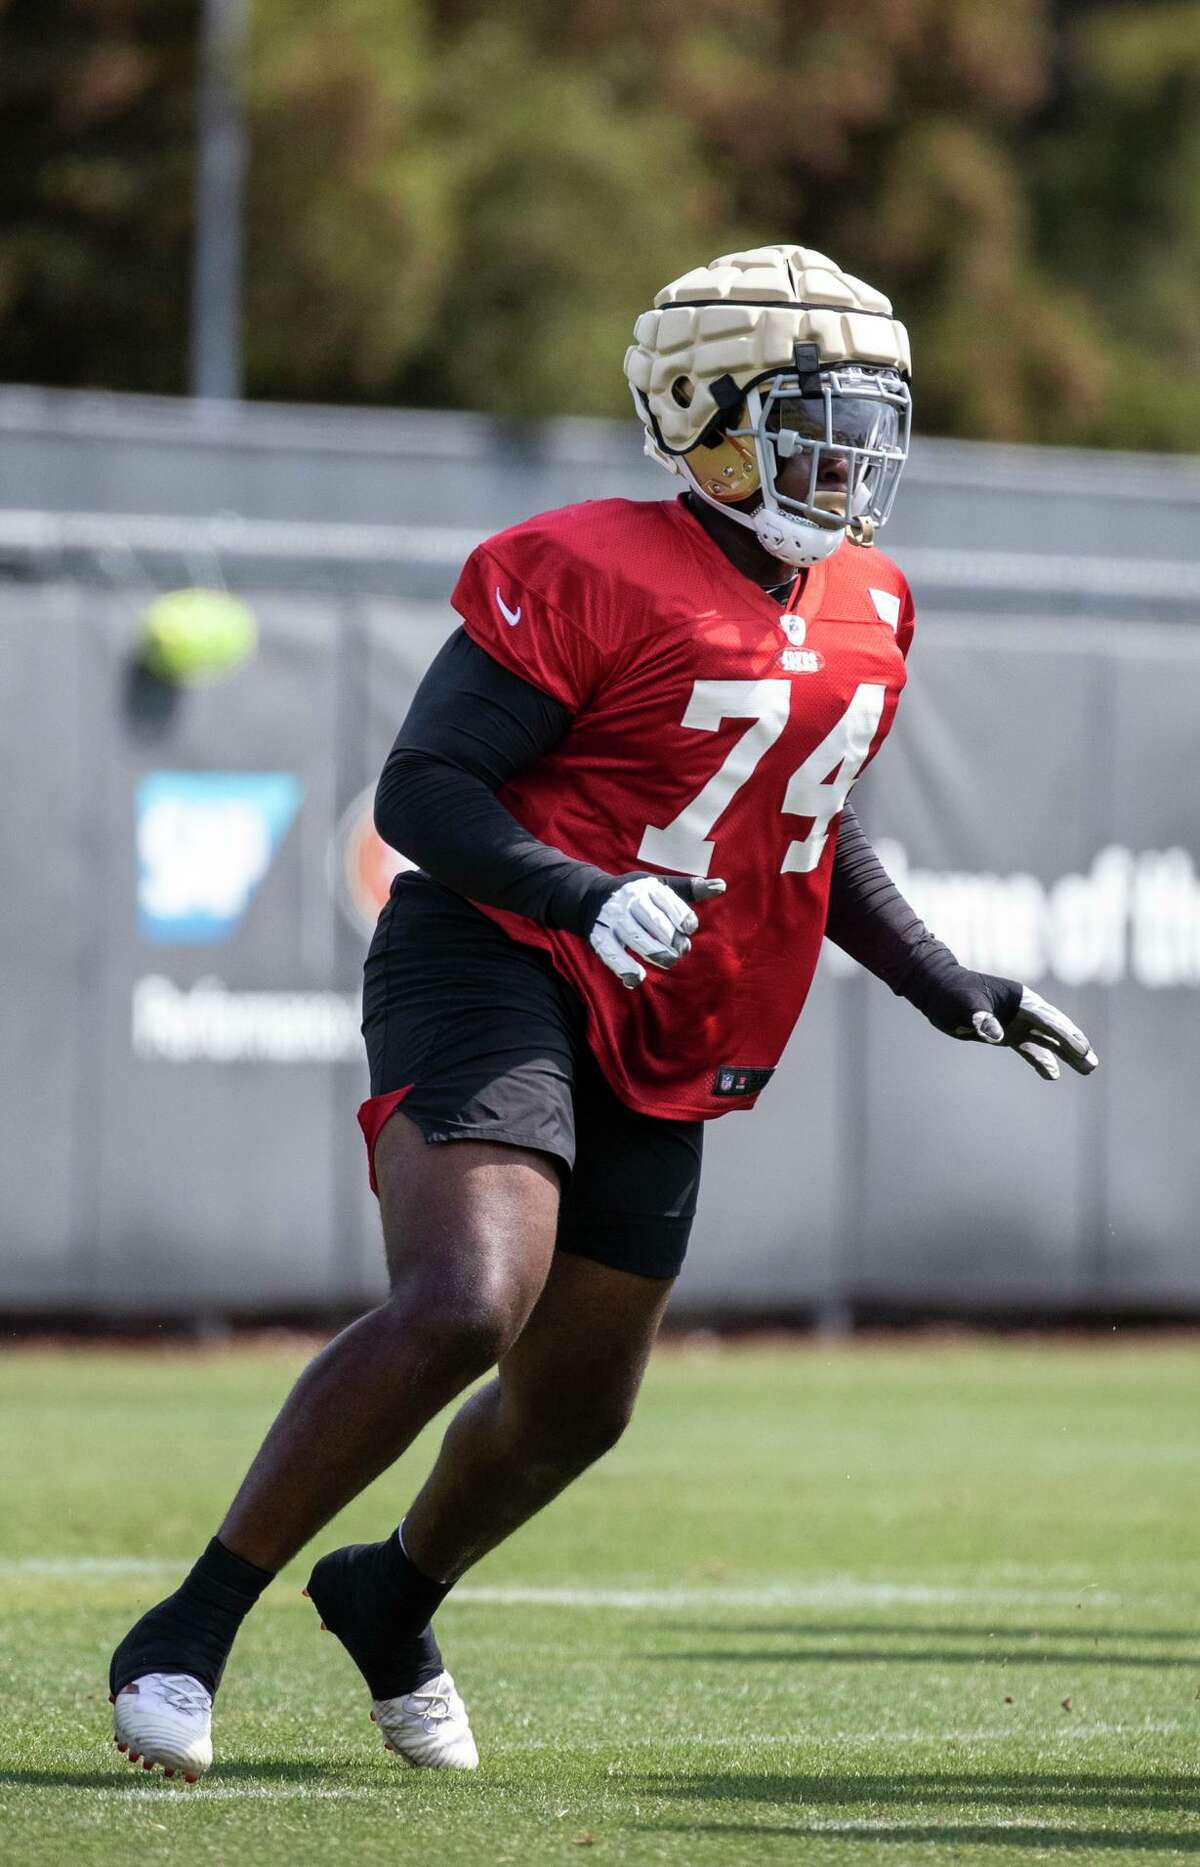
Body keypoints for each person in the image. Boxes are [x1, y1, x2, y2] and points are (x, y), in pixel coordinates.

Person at [108, 244, 1097, 1780]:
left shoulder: (874, 601)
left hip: (678, 1004)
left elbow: (805, 832)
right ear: (701, 417)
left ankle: (393, 1594)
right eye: (816, 418)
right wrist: (576, 892)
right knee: (464, 1301)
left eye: (870, 423)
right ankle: (188, 1625)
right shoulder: (587, 564)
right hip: (497, 952)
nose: (852, 458)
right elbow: (424, 788)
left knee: (576, 1409)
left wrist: (944, 982)